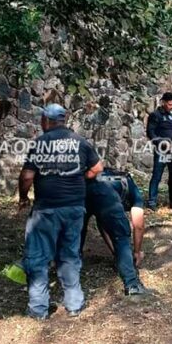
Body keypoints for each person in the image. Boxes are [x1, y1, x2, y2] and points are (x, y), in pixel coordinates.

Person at [18, 104, 103, 320]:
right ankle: (74, 304)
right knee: (69, 255)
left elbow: (27, 176)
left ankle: (38, 309)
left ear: (46, 120)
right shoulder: (80, 141)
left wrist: (23, 197)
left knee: (38, 257)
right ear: (63, 120)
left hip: (46, 209)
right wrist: (77, 178)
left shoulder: (40, 143)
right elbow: (97, 168)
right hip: (74, 208)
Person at [80, 168, 150, 296]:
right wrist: (137, 252)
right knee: (121, 235)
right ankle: (132, 285)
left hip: (82, 188)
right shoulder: (134, 191)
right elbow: (138, 225)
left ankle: (70, 277)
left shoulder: (116, 179)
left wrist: (116, 253)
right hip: (104, 192)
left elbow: (103, 224)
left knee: (77, 233)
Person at [145, 92, 172, 210]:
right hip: (161, 151)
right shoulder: (155, 115)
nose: (171, 107)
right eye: (169, 104)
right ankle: (152, 202)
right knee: (157, 176)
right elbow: (151, 132)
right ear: (163, 102)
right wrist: (161, 143)